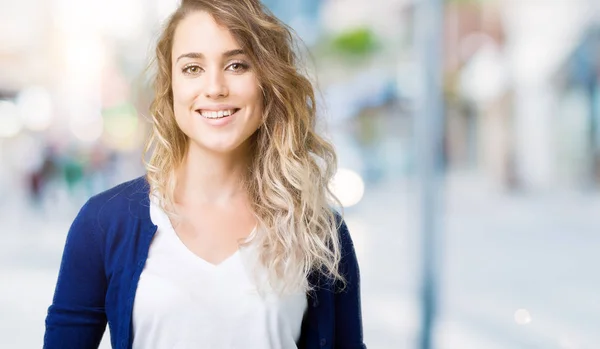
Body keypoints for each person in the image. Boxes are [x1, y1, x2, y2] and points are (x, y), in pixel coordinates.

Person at [44, 0, 365, 348]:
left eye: (237, 65)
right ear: (170, 87)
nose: (214, 88)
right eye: (192, 68)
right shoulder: (103, 222)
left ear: (267, 82)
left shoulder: (318, 231)